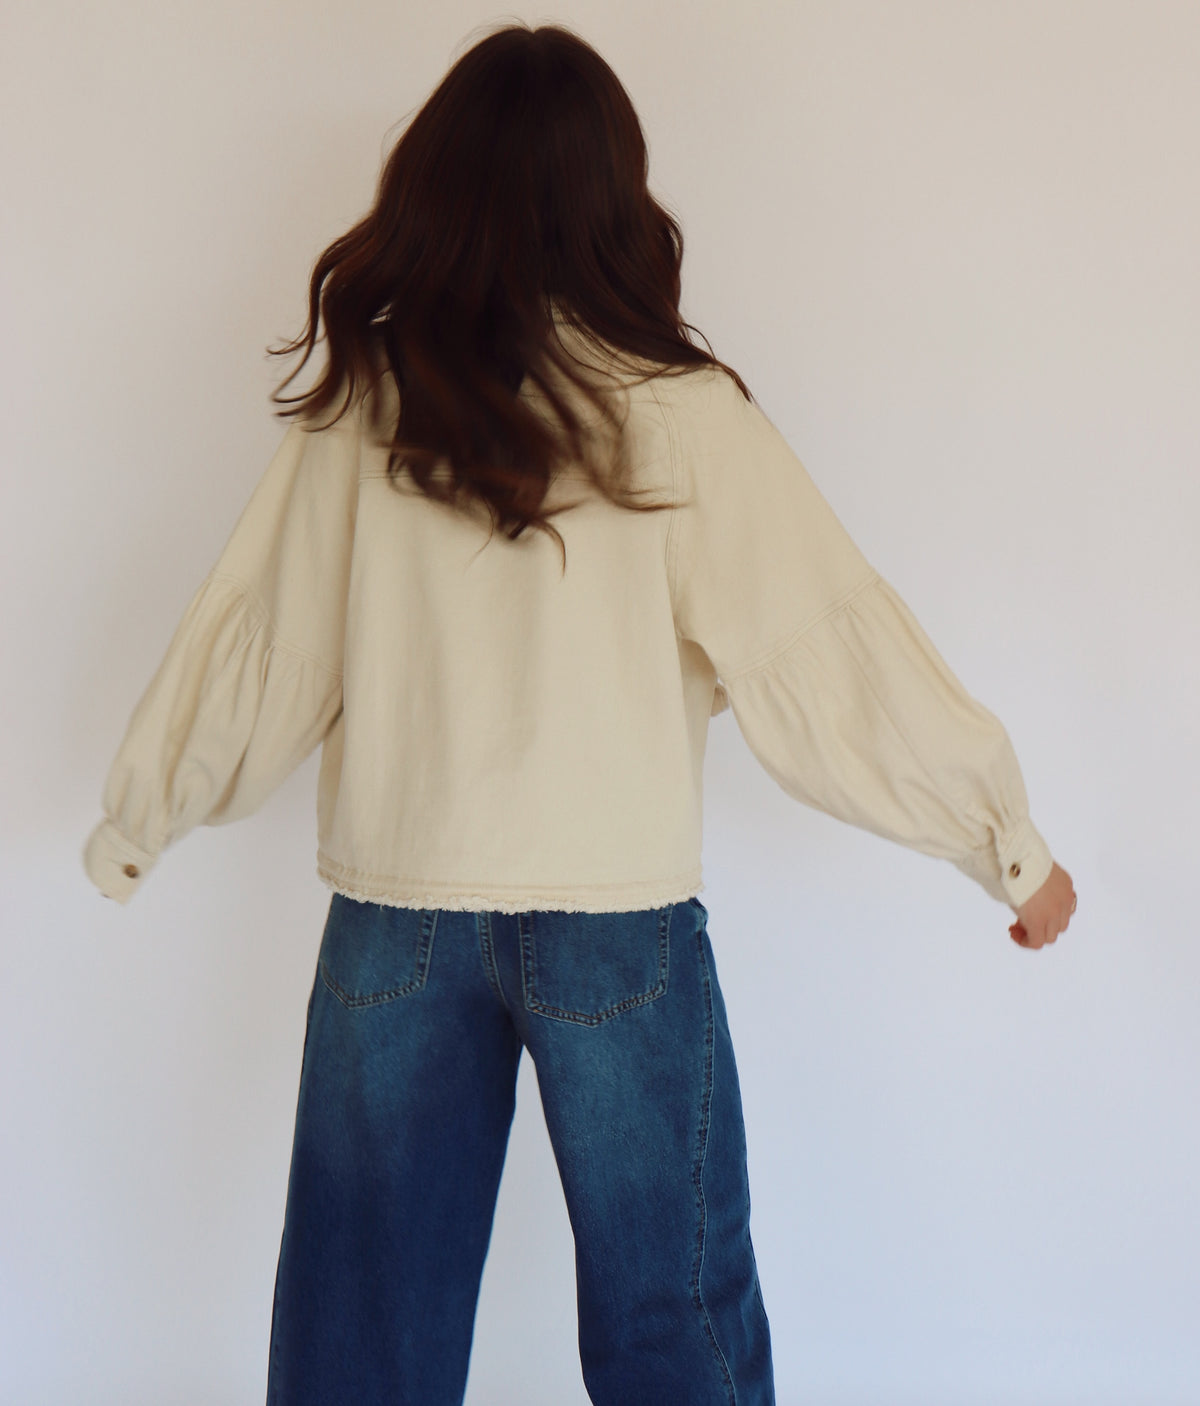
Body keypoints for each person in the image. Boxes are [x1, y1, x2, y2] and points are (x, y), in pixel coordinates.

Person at [81, 20, 1078, 1406]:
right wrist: (1002, 842)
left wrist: (144, 818)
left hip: (398, 917)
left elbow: (260, 641)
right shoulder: (682, 417)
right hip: (619, 925)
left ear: (435, 186)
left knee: (358, 1333)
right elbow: (826, 651)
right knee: (678, 1326)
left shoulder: (372, 411)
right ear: (620, 195)